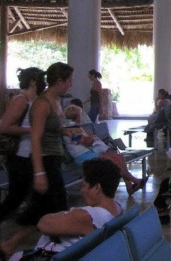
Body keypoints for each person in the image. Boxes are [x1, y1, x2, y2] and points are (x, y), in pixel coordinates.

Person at [0, 62, 73, 257]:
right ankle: (58, 248)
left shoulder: (53, 101)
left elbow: (52, 129)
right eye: (69, 80)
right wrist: (39, 172)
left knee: (46, 208)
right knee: (51, 208)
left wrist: (67, 133)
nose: (71, 84)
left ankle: (11, 244)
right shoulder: (40, 103)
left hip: (51, 160)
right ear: (59, 81)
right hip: (40, 161)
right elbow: (35, 137)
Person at [8, 158, 123, 260]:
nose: (82, 190)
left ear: (97, 188)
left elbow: (43, 224)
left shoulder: (88, 216)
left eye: (84, 185)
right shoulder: (117, 209)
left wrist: (68, 213)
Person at [62, 107, 147, 195]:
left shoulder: (78, 128)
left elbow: (88, 139)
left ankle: (129, 185)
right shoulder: (71, 130)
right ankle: (135, 180)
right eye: (81, 115)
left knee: (119, 157)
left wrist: (90, 137)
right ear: (77, 116)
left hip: (90, 152)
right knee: (112, 160)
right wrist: (90, 138)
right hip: (82, 156)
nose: (82, 117)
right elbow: (86, 141)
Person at [0, 67, 46, 222]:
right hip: (20, 155)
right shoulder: (21, 100)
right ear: (33, 81)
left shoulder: (36, 100)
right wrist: (32, 130)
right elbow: (5, 127)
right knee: (16, 197)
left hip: (31, 154)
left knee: (23, 195)